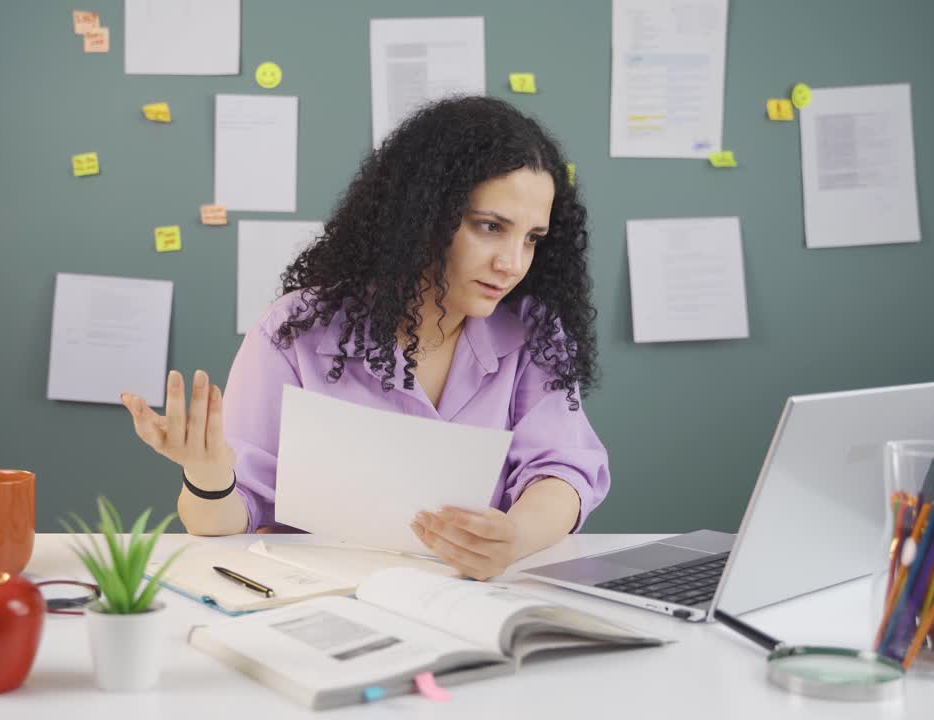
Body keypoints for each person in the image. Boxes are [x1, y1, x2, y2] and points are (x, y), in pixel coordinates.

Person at [121, 96, 608, 580]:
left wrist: (514, 537)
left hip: (471, 600)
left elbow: (563, 473)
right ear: (424, 214)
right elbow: (229, 519)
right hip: (319, 603)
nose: (512, 263)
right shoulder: (296, 330)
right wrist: (206, 475)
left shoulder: (532, 330)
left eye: (531, 238)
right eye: (489, 227)